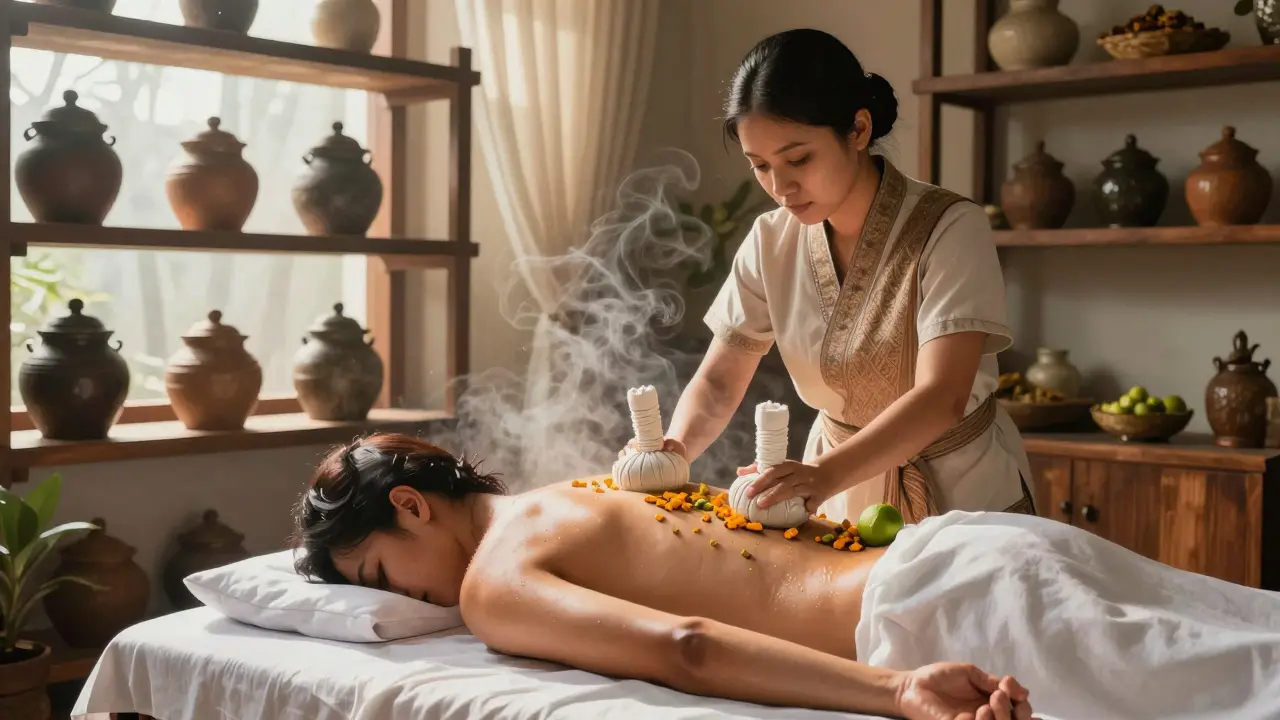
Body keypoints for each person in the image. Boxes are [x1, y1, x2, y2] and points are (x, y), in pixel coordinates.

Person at [292, 434, 1280, 720]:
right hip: (972, 546)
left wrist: (896, 687)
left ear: (412, 508)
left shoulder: (490, 581)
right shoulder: (578, 487)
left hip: (936, 608)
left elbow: (682, 646)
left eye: (385, 572)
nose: (410, 600)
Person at [626, 28, 1033, 525]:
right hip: (837, 493)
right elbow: (719, 379)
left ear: (858, 130)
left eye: (799, 159)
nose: (781, 187)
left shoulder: (951, 227)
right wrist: (675, 448)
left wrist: (821, 475)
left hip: (959, 492)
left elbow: (942, 397)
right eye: (760, 166)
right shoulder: (770, 240)